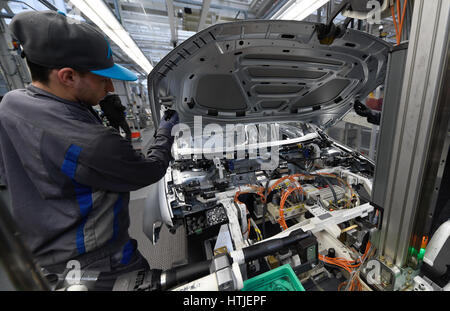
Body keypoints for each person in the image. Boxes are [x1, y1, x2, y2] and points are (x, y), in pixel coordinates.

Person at [0, 10, 179, 290]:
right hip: (101, 265)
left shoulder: (11, 105)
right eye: (102, 78)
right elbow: (151, 169)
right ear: (68, 76)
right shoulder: (92, 143)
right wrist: (165, 130)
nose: (110, 87)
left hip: (47, 259)